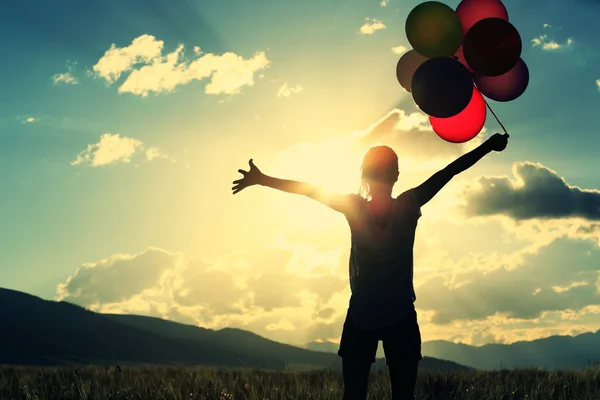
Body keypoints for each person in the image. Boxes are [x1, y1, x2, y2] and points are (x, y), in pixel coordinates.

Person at [231, 132, 509, 399]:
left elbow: (309, 190)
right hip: (400, 314)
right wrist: (487, 146)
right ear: (397, 175)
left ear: (365, 175)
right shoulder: (409, 203)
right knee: (403, 396)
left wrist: (263, 179)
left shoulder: (355, 207)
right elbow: (449, 171)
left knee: (353, 395)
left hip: (362, 314)